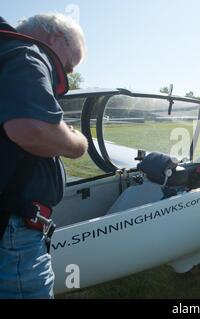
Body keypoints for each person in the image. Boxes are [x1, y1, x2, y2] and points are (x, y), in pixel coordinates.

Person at [0, 14, 88, 298]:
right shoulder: (27, 53)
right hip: (13, 228)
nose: (67, 74)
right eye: (68, 66)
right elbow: (33, 130)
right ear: (55, 39)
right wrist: (77, 142)